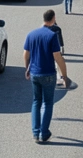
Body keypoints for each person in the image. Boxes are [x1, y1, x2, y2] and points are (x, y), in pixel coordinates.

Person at [24, 10, 71, 143]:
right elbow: (58, 57)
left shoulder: (31, 34)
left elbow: (25, 54)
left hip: (34, 72)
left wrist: (27, 68)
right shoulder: (52, 36)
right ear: (53, 19)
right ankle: (44, 132)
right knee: (48, 102)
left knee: (36, 101)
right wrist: (64, 76)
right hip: (48, 73)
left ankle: (35, 132)